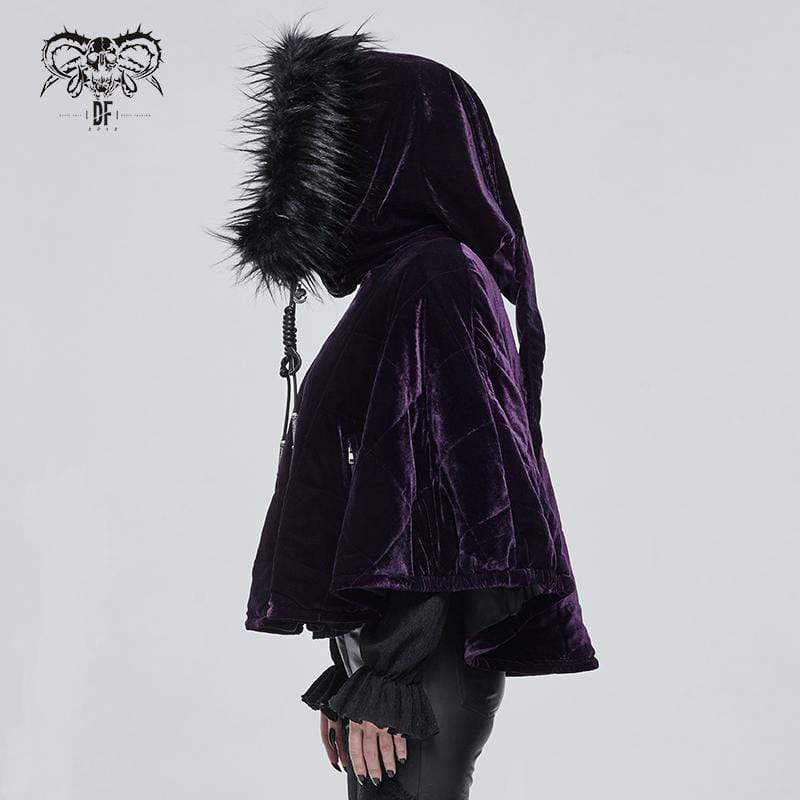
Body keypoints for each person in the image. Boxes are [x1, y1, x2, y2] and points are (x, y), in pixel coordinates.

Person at [217, 21, 599, 800]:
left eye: (338, 149)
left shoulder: (438, 279)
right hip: (402, 664)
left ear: (396, 153)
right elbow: (383, 481)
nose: (320, 179)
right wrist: (352, 665)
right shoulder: (404, 282)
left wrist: (388, 676)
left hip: (421, 672)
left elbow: (440, 492)